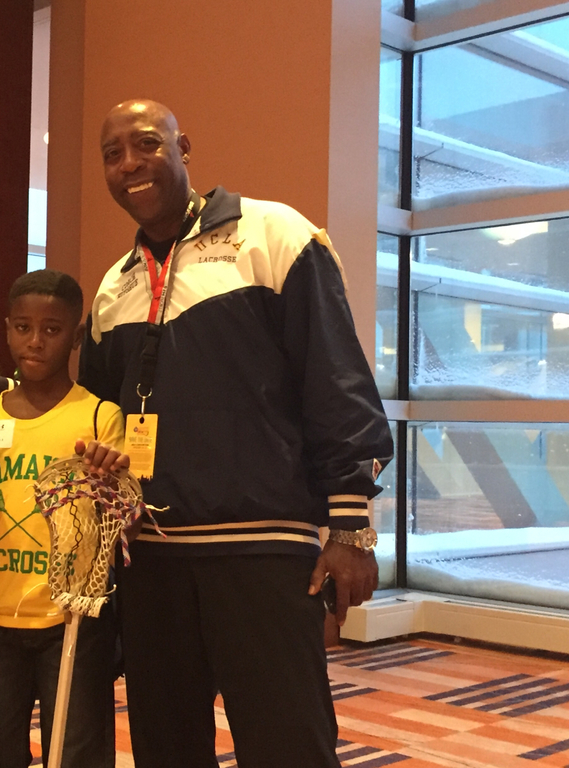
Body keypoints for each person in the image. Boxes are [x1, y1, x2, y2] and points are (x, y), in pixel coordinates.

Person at [78, 99, 395, 768]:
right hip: (152, 559)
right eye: (112, 154)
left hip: (262, 552)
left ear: (183, 148)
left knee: (288, 746)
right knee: (166, 749)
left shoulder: (274, 234)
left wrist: (350, 528)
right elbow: (98, 416)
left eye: (146, 144)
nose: (130, 163)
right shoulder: (114, 286)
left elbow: (336, 381)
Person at [0, 269, 126, 768]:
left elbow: (124, 523)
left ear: (75, 337)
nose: (35, 341)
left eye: (52, 330)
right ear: (7, 328)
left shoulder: (99, 417)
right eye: (22, 328)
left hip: (70, 621)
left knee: (74, 750)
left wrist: (112, 491)